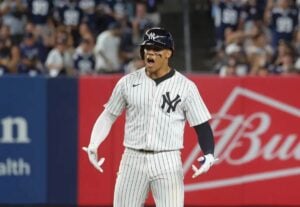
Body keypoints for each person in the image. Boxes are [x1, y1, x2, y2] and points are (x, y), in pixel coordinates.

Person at [83, 27, 218, 207]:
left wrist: (209, 154)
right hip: (132, 158)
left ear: (168, 53)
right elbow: (108, 115)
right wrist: (93, 143)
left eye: (156, 49)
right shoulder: (127, 82)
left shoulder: (186, 87)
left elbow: (202, 126)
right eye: (147, 49)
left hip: (167, 159)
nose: (150, 53)